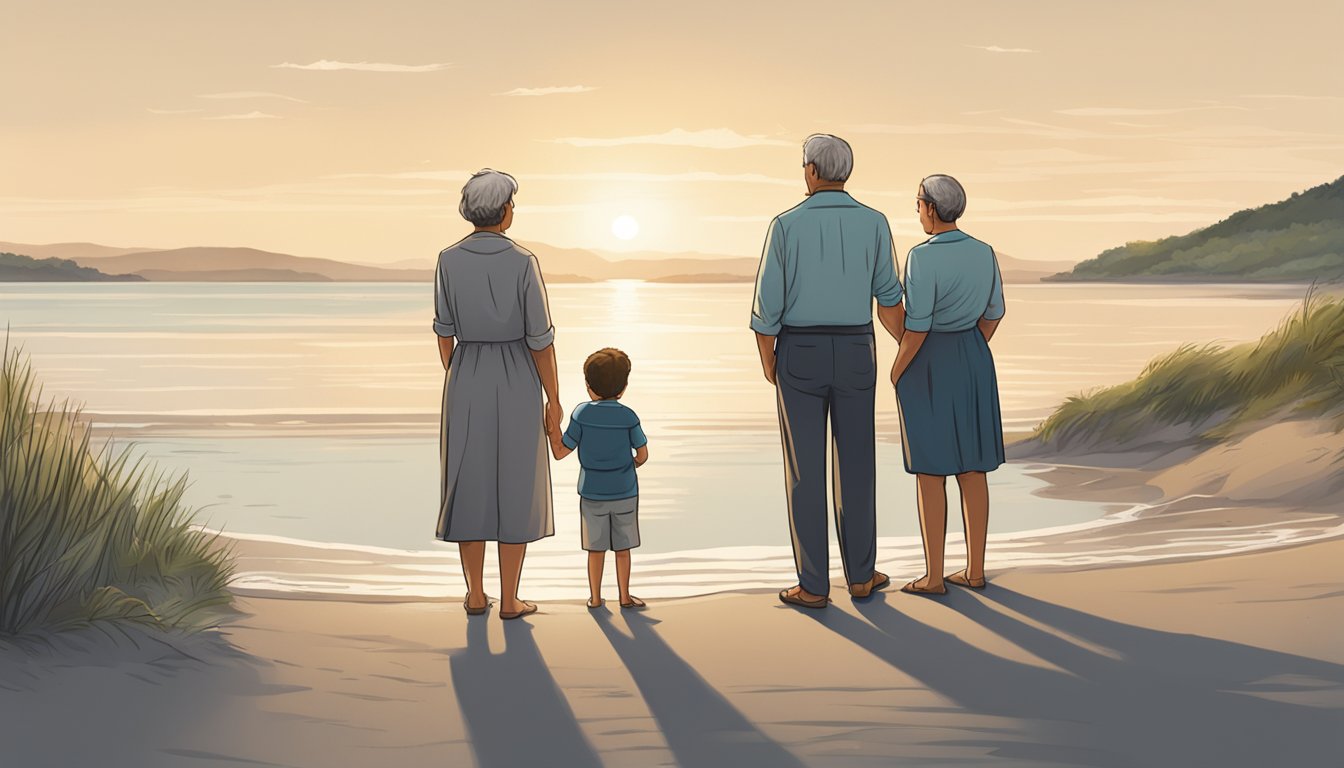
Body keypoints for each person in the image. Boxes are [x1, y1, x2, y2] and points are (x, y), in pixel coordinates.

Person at [750, 134, 906, 609]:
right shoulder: (875, 222)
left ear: (813, 171)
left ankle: (814, 585)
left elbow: (765, 309)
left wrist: (768, 362)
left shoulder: (785, 225)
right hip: (858, 346)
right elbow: (890, 302)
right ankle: (860, 576)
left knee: (805, 471)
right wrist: (908, 352)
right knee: (857, 463)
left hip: (800, 348)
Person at [433, 169, 562, 620]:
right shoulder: (523, 261)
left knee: (468, 481)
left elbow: (444, 333)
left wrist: (460, 374)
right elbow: (540, 339)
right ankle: (509, 600)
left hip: (465, 375)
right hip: (517, 377)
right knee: (515, 484)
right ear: (504, 210)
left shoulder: (447, 260)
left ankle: (474, 594)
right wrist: (555, 399)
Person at [890, 174, 1006, 596]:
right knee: (973, 468)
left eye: (918, 203)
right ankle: (975, 571)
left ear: (931, 208)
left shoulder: (921, 257)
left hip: (930, 360)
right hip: (974, 357)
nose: (917, 210)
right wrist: (971, 347)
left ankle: (934, 576)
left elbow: (916, 325)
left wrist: (898, 368)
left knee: (930, 471)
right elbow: (994, 312)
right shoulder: (985, 252)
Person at [548, 348, 649, 610]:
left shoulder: (582, 414)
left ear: (588, 385)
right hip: (625, 491)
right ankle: (625, 597)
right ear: (624, 386)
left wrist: (552, 428)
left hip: (592, 493)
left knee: (595, 549)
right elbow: (643, 453)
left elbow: (560, 452)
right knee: (623, 548)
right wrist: (633, 465)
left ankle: (594, 598)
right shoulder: (628, 416)